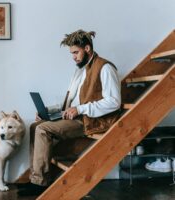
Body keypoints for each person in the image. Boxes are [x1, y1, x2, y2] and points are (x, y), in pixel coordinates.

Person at [18, 29, 121, 196]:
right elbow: (72, 102)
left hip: (90, 120)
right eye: (71, 53)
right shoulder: (80, 70)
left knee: (42, 130)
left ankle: (40, 183)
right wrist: (47, 112)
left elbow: (114, 102)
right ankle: (35, 178)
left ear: (87, 48)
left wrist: (80, 109)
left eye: (76, 52)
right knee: (35, 126)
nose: (73, 57)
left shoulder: (105, 68)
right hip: (76, 116)